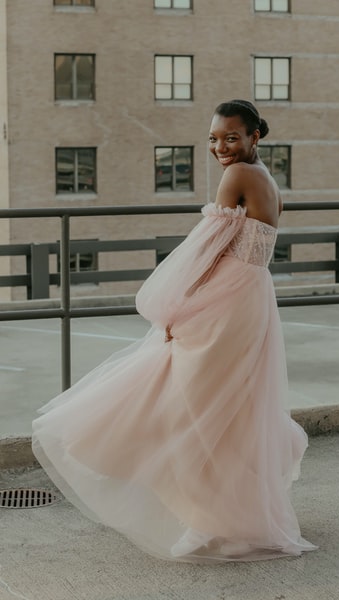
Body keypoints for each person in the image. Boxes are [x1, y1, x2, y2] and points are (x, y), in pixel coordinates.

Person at [32, 99, 317, 562]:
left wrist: (176, 308)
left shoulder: (238, 176)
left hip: (226, 304)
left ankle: (213, 519)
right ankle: (223, 514)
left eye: (230, 137)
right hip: (251, 300)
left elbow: (204, 254)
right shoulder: (266, 178)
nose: (220, 146)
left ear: (254, 137)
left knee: (190, 409)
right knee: (224, 410)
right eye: (213, 138)